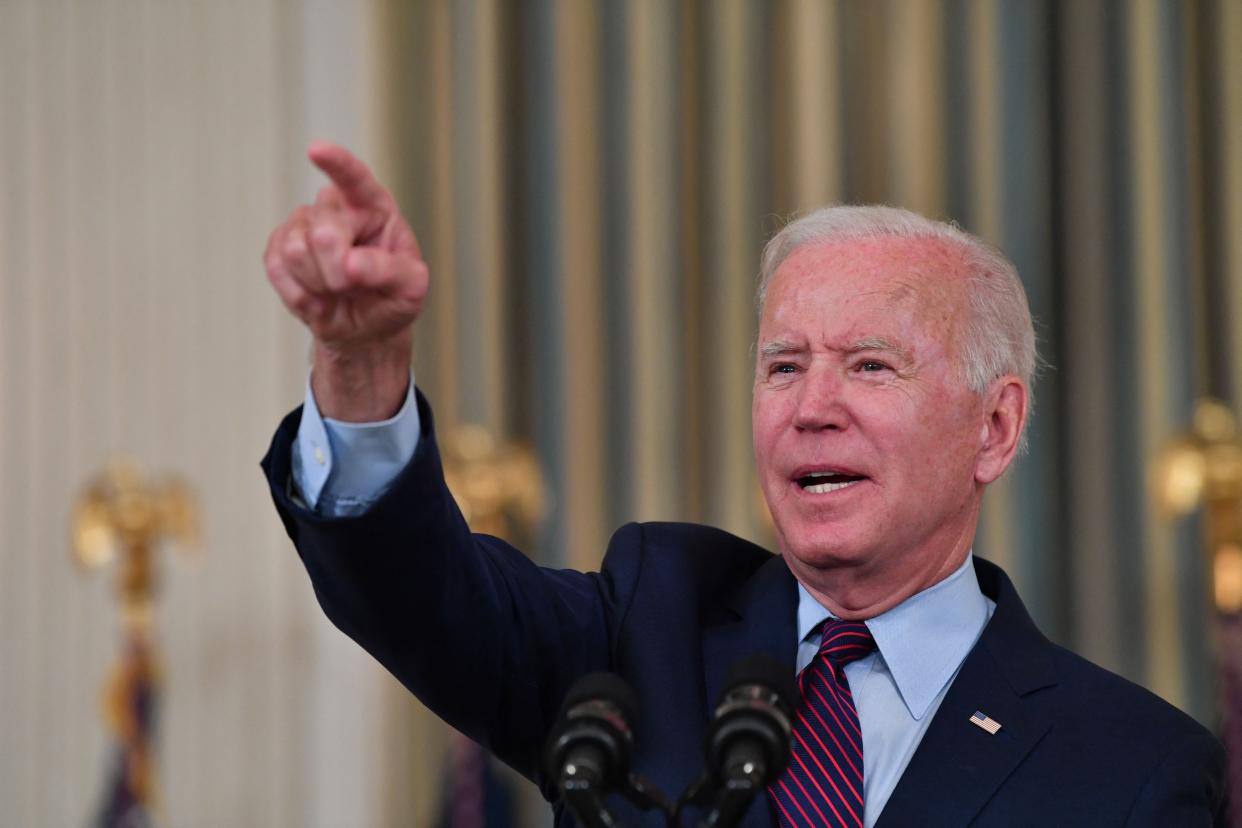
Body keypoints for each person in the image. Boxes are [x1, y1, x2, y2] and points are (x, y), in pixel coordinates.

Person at [261, 143, 1227, 827]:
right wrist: (360, 362)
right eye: (782, 365)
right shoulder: (641, 634)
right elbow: (416, 597)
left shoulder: (1135, 768)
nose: (812, 407)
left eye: (871, 366)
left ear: (996, 426)